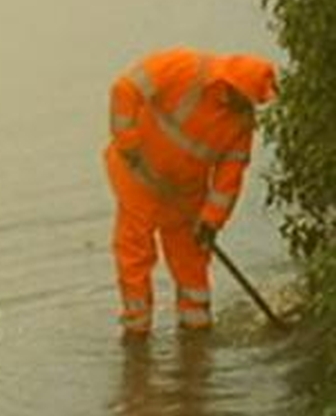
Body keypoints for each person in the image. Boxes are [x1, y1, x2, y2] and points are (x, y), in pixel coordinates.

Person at [104, 47, 277, 336]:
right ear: (231, 85)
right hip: (138, 177)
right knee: (135, 253)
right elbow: (124, 89)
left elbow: (229, 178)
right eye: (248, 99)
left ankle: (196, 332)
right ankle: (137, 329)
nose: (250, 107)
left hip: (185, 194)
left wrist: (212, 220)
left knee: (192, 260)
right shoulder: (181, 67)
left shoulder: (240, 122)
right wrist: (128, 140)